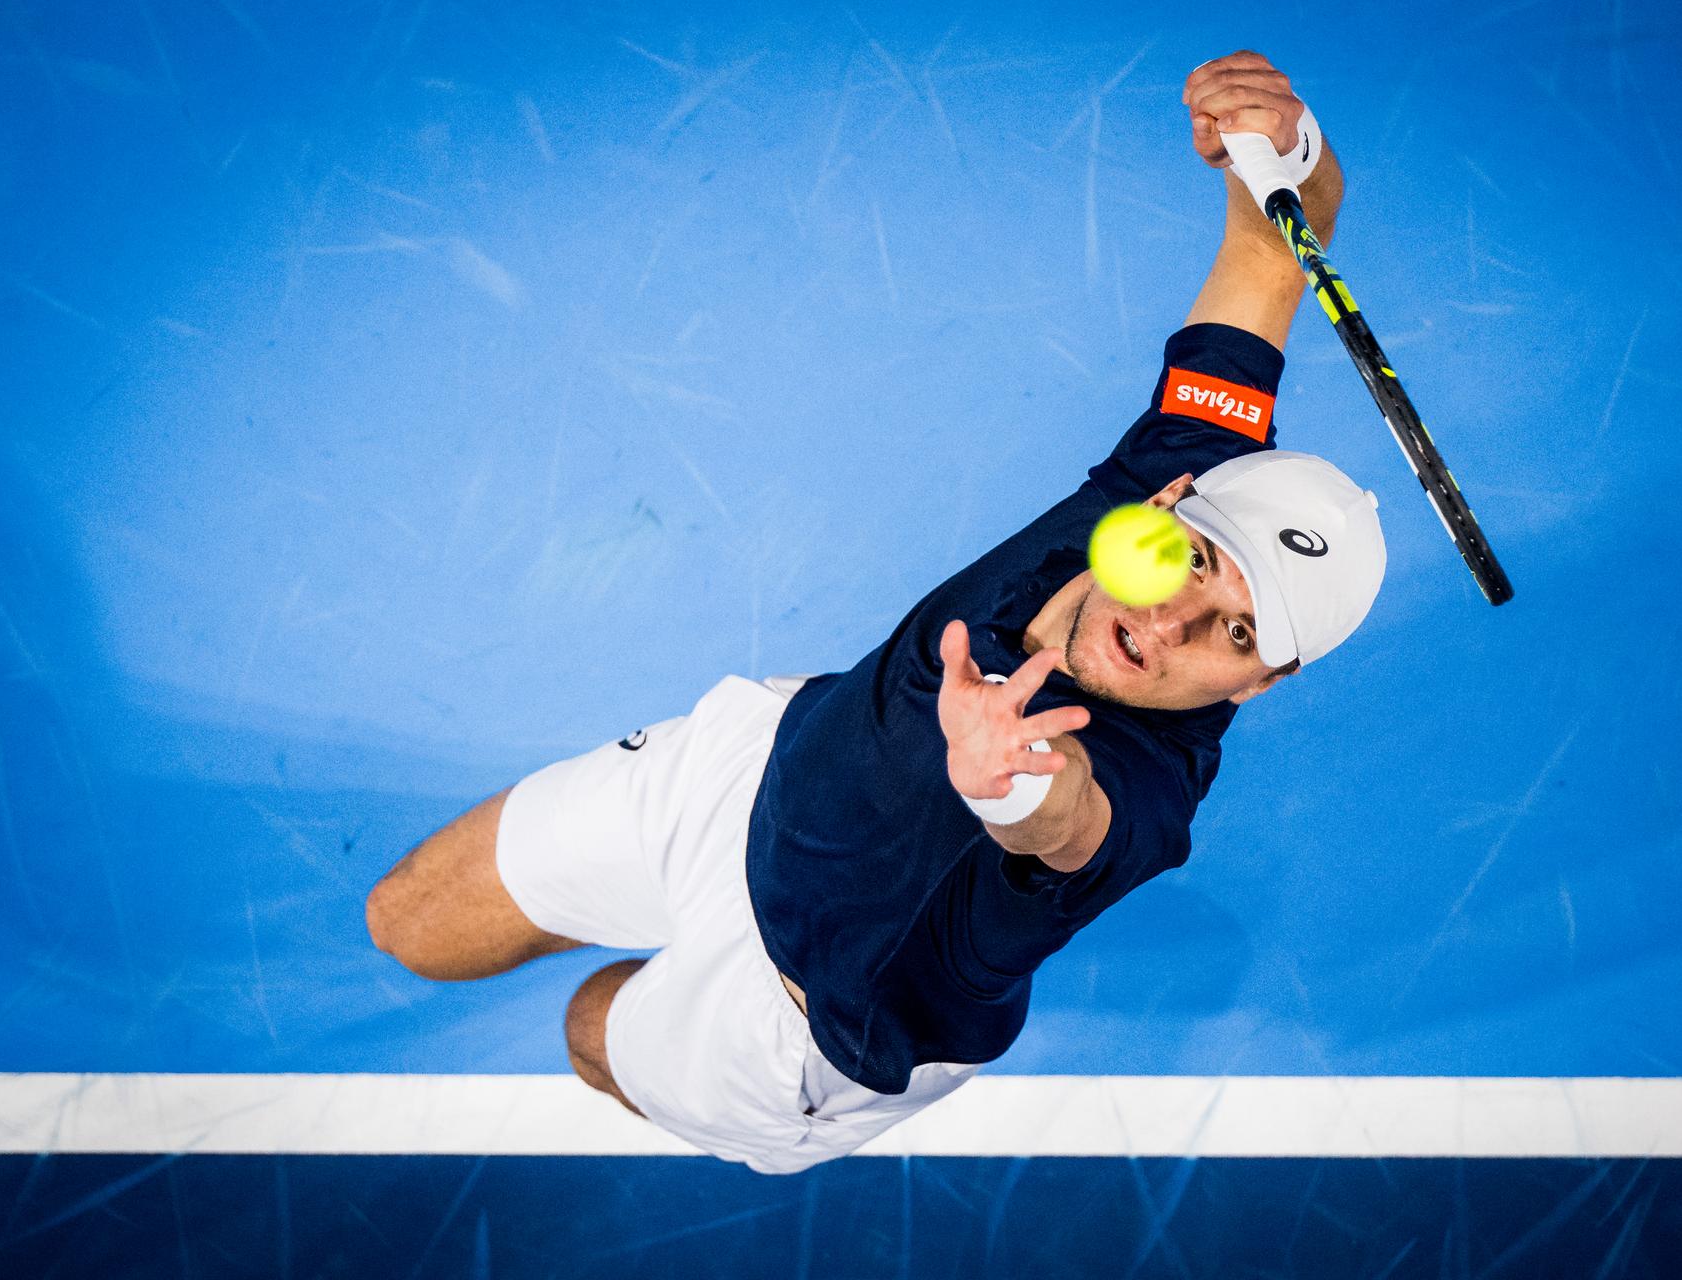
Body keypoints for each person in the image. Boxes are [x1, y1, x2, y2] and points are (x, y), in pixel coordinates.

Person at [365, 50, 1386, 1175]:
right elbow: (1274, 243)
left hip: (792, 1027)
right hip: (759, 767)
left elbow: (1069, 828)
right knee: (408, 922)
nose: (1181, 623)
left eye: (1239, 634)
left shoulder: (1143, 800)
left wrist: (1017, 779)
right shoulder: (1185, 459)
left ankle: (681, 1051)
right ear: (1173, 497)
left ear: (1261, 683)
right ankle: (642, 908)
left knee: (588, 1031)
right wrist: (1283, 146)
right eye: (1197, 565)